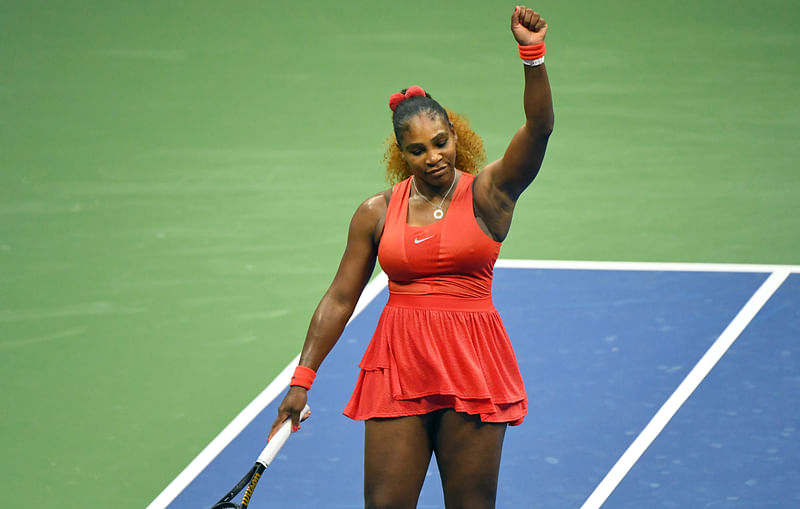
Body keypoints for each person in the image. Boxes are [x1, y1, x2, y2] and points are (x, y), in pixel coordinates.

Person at [269, 5, 553, 508]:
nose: (434, 156)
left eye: (441, 142)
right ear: (402, 154)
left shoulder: (490, 193)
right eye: (418, 149)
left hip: (472, 363)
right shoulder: (375, 213)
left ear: (455, 136)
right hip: (398, 366)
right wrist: (301, 380)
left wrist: (532, 55)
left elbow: (539, 128)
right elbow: (339, 298)